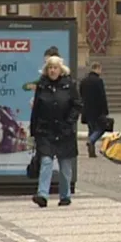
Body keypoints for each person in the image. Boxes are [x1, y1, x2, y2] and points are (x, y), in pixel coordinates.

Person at [30, 55, 82, 207]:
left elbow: (77, 105)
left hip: (65, 130)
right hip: (46, 130)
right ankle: (42, 194)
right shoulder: (42, 85)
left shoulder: (69, 84)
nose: (52, 70)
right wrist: (34, 131)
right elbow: (37, 109)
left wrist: (70, 122)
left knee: (65, 164)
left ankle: (65, 195)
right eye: (50, 68)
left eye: (55, 68)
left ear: (61, 70)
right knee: (46, 160)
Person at [80, 62, 110, 158]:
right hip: (97, 110)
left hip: (86, 109)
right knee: (101, 128)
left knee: (91, 129)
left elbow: (81, 94)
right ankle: (91, 140)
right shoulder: (98, 81)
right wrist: (105, 110)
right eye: (100, 69)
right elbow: (102, 96)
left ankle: (91, 151)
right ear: (97, 69)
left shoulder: (84, 81)